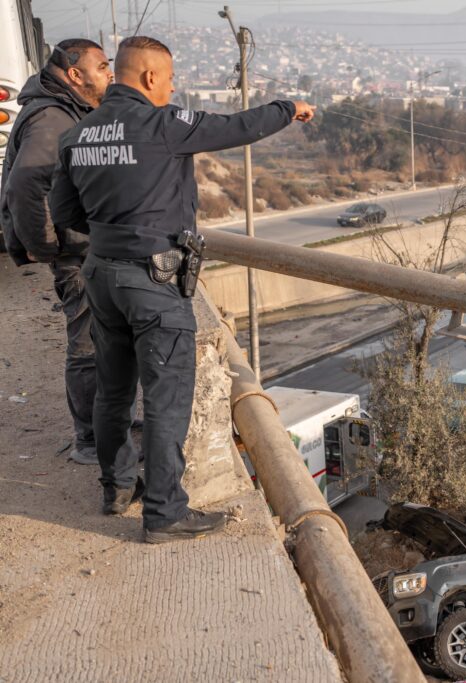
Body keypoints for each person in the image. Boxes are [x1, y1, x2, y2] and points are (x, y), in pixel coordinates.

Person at [48, 36, 315, 542]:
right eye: (169, 80)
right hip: (153, 281)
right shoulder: (164, 125)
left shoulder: (76, 135)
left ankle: (116, 486)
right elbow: (238, 127)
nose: (172, 90)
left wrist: (113, 229)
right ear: (150, 78)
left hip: (101, 273)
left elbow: (64, 215)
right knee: (167, 396)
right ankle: (165, 512)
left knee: (114, 389)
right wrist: (289, 107)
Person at [0, 39, 132, 466]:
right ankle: (90, 441)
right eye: (101, 66)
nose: (109, 73)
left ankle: (106, 428)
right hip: (77, 254)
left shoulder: (64, 110)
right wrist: (48, 247)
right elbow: (25, 186)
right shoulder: (54, 118)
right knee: (87, 347)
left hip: (83, 248)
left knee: (102, 342)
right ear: (74, 75)